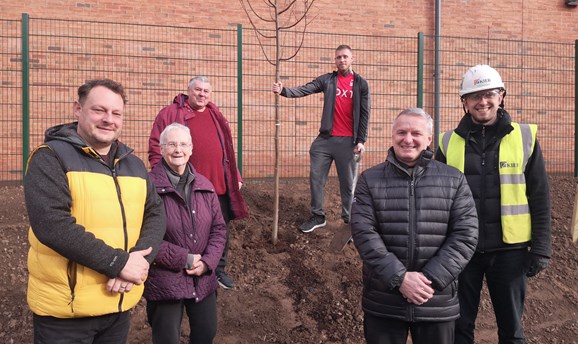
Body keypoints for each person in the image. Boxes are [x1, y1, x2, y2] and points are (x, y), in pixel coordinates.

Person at [23, 79, 166, 343]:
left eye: (116, 113)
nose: (108, 119)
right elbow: (52, 225)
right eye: (99, 110)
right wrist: (119, 264)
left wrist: (139, 259)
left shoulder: (133, 165)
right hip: (66, 315)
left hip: (118, 305)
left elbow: (155, 214)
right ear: (78, 109)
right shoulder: (50, 157)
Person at [435, 64, 552, 344]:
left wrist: (542, 247)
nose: (482, 101)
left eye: (488, 94)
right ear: (464, 102)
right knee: (459, 328)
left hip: (510, 252)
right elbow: (434, 199)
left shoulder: (525, 138)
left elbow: (539, 196)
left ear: (501, 96)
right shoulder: (447, 142)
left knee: (511, 331)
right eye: (474, 96)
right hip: (462, 251)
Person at [351, 108, 478, 344]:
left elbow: (466, 235)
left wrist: (427, 280)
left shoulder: (454, 179)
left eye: (415, 133)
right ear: (392, 136)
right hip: (384, 300)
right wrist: (400, 278)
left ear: (429, 139)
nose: (407, 139)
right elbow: (363, 234)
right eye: (401, 132)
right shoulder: (369, 180)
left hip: (435, 300)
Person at [148, 76, 248, 290]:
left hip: (218, 185)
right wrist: (162, 178)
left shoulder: (215, 114)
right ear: (188, 91)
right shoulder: (171, 113)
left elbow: (227, 149)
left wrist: (235, 175)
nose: (202, 94)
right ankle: (182, 267)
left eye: (206, 91)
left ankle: (217, 269)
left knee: (220, 229)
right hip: (186, 187)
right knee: (183, 228)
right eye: (197, 90)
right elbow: (157, 148)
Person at [272, 44, 371, 233]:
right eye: (338, 57)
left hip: (348, 142)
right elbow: (306, 89)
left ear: (352, 59)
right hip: (325, 140)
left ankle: (349, 220)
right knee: (316, 178)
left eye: (345, 57)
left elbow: (365, 114)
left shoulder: (361, 84)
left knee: (348, 184)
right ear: (335, 60)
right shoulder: (328, 80)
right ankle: (318, 216)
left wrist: (361, 140)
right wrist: (284, 90)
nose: (341, 60)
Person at [145, 123, 227, 344]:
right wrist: (185, 259)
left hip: (203, 278)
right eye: (171, 144)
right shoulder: (148, 187)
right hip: (165, 280)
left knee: (206, 333)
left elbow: (219, 229)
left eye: (183, 144)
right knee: (166, 339)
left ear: (191, 148)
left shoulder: (205, 185)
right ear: (161, 149)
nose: (178, 150)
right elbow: (144, 237)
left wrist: (207, 262)